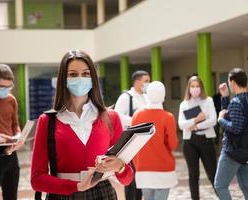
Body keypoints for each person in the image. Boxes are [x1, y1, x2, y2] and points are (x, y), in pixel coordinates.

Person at [31, 50, 133, 199]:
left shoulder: (111, 118)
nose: (80, 79)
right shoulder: (47, 121)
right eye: (73, 74)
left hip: (103, 193)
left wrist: (120, 166)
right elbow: (37, 179)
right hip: (63, 194)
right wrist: (76, 186)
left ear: (93, 78)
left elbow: (127, 178)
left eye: (86, 74)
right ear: (63, 80)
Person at [132, 81, 178, 200]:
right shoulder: (168, 117)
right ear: (163, 96)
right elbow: (173, 145)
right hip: (163, 169)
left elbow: (132, 143)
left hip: (142, 168)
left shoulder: (137, 115)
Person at [178, 76, 217, 200]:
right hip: (190, 142)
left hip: (206, 139)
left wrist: (195, 126)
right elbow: (181, 124)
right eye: (193, 86)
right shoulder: (184, 104)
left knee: (213, 173)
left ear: (201, 88)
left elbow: (213, 120)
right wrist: (196, 119)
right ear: (188, 88)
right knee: (193, 175)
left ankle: (222, 196)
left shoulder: (208, 101)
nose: (195, 89)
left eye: (198, 86)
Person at [0, 64, 23, 200]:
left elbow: (15, 124)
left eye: (8, 87)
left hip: (11, 155)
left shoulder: (11, 100)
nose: (5, 90)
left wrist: (18, 135)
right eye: (2, 87)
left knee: (11, 196)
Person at [114, 70, 150, 200]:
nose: (148, 84)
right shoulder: (126, 97)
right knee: (131, 178)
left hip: (144, 142)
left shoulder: (147, 98)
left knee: (141, 177)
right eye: (146, 81)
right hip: (130, 142)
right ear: (137, 82)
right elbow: (117, 116)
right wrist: (137, 120)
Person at [214, 68, 248, 200]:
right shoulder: (241, 101)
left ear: (232, 82)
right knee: (245, 186)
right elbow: (234, 116)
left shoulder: (236, 102)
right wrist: (225, 97)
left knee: (220, 185)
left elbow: (235, 127)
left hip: (232, 152)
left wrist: (220, 120)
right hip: (245, 152)